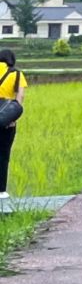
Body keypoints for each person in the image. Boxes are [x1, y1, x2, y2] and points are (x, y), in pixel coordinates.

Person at [0, 46, 24, 201]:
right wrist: (12, 118)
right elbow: (20, 97)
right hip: (5, 119)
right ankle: (1, 191)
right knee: (3, 154)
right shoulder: (17, 74)